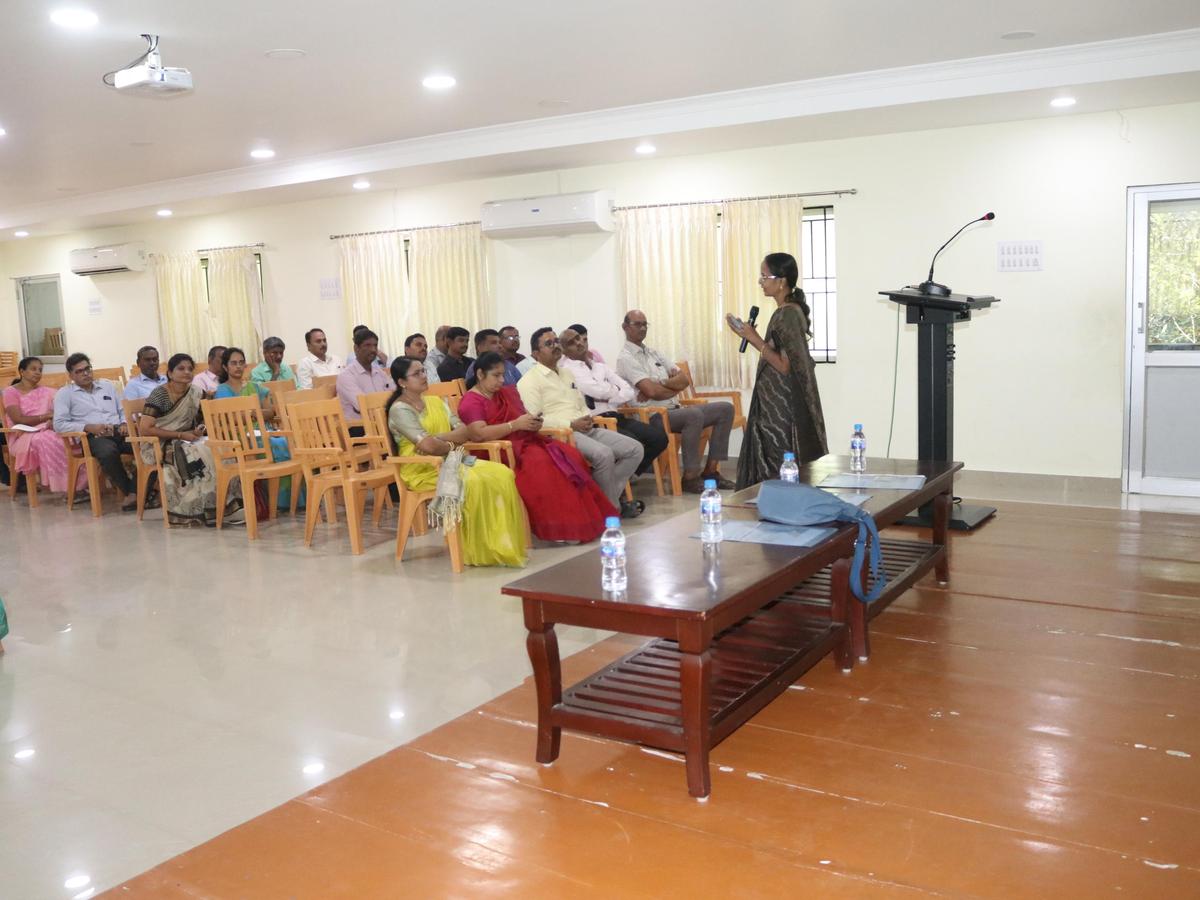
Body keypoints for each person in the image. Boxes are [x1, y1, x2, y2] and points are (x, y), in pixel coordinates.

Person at [458, 351, 616, 542]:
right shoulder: (471, 401)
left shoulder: (507, 394)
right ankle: (559, 529)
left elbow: (523, 416)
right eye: (496, 375)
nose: (502, 380)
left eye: (503, 375)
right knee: (541, 465)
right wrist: (514, 425)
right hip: (496, 450)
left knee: (570, 456)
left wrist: (532, 423)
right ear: (480, 374)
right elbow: (478, 434)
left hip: (524, 441)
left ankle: (582, 522)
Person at [386, 356, 528, 568]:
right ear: (402, 382)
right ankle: (475, 549)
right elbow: (429, 448)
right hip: (422, 469)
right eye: (417, 373)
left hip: (452, 461)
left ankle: (496, 545)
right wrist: (444, 443)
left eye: (424, 371)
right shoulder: (400, 410)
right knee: (475, 482)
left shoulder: (436, 402)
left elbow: (465, 431)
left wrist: (439, 439)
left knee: (502, 473)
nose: (424, 376)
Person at [727, 252, 829, 489]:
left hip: (780, 408)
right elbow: (777, 351)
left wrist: (753, 338)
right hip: (774, 401)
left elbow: (784, 366)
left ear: (781, 281)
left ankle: (777, 502)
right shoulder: (786, 311)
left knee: (777, 461)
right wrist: (746, 333)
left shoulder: (787, 314)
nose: (760, 281)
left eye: (765, 276)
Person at [518, 328, 643, 517]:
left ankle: (600, 501)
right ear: (536, 354)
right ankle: (612, 510)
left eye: (556, 341)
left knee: (635, 449)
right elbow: (535, 420)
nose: (555, 346)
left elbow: (580, 402)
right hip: (560, 434)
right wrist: (570, 424)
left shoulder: (567, 373)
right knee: (604, 454)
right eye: (548, 344)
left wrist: (586, 417)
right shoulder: (529, 381)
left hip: (585, 428)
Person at [616, 309, 736, 493]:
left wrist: (661, 383)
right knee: (693, 415)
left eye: (645, 324)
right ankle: (690, 478)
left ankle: (711, 472)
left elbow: (684, 380)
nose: (642, 328)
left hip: (675, 410)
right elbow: (651, 392)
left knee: (725, 409)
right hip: (653, 416)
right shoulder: (626, 358)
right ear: (625, 327)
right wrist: (669, 386)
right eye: (637, 324)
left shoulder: (654, 353)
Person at [138, 353, 245, 527]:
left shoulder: (196, 392)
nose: (186, 372)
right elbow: (145, 429)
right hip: (159, 443)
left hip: (189, 439)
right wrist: (181, 435)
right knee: (197, 454)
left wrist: (199, 429)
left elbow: (207, 418)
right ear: (170, 373)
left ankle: (220, 507)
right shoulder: (160, 394)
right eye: (181, 368)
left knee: (221, 450)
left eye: (189, 369)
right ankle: (196, 510)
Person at [560, 326, 668, 481]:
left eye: (579, 338)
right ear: (564, 351)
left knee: (659, 438)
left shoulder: (600, 366)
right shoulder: (568, 370)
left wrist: (609, 396)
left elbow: (628, 390)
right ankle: (614, 482)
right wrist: (614, 391)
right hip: (596, 421)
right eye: (571, 342)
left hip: (616, 415)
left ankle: (624, 477)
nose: (579, 342)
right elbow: (596, 391)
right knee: (634, 443)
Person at [213, 347, 300, 509]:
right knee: (279, 444)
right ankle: (280, 502)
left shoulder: (255, 386)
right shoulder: (223, 390)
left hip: (263, 430)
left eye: (241, 363)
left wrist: (251, 413)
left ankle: (294, 500)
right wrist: (254, 413)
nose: (238, 366)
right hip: (240, 438)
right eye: (233, 363)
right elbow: (231, 418)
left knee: (293, 442)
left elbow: (270, 411)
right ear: (225, 367)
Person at [52, 352, 138, 511]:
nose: (85, 373)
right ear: (71, 375)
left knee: (149, 447)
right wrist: (87, 427)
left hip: (119, 432)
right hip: (93, 437)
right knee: (108, 452)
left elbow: (123, 410)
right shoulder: (65, 394)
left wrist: (125, 423)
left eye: (88, 369)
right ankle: (132, 492)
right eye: (79, 371)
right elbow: (59, 424)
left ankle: (135, 492)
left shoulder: (107, 386)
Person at [3, 356, 88, 495]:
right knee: (48, 440)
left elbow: (59, 412)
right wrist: (46, 416)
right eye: (33, 369)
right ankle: (68, 487)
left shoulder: (49, 392)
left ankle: (78, 484)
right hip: (22, 435)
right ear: (22, 371)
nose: (38, 372)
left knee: (68, 438)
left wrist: (53, 420)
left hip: (48, 429)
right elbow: (18, 419)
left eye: (40, 370)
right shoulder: (10, 392)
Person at [336, 328, 394, 432]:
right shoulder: (346, 376)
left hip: (381, 421)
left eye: (375, 345)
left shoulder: (379, 372)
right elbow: (362, 405)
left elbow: (394, 395)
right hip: (359, 427)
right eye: (367, 345)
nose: (373, 350)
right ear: (356, 348)